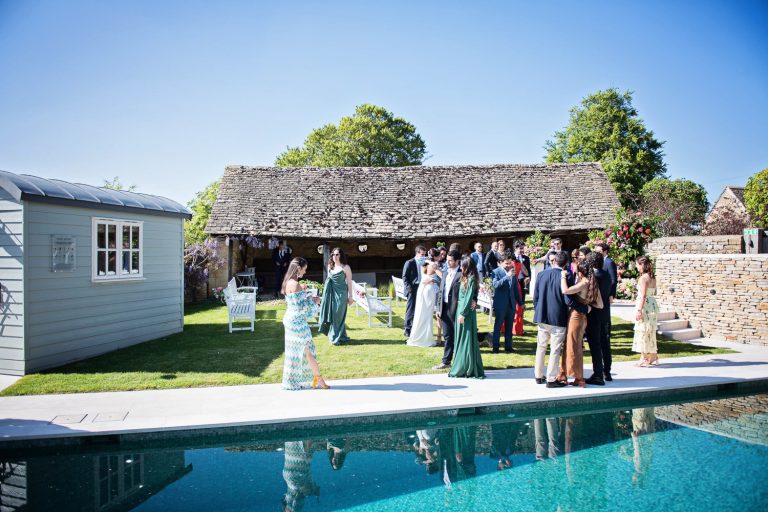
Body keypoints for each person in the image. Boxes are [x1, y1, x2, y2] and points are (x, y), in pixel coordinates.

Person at [281, 257, 329, 390]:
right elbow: (303, 308)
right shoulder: (295, 285)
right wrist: (315, 301)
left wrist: (303, 291)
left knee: (294, 352)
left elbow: (296, 302)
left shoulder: (288, 282)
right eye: (304, 269)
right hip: (298, 322)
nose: (305, 272)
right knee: (308, 350)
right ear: (298, 269)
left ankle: (294, 380)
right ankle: (319, 380)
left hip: (290, 319)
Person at [558, 261, 602, 387]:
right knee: (573, 345)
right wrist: (587, 306)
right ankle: (565, 374)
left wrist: (562, 276)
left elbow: (565, 290)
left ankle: (578, 377)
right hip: (582, 316)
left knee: (573, 346)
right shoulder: (593, 283)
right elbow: (600, 304)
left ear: (581, 272)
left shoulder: (584, 283)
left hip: (576, 316)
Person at [532, 251, 570, 387]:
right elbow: (567, 299)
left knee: (541, 347)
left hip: (542, 315)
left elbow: (535, 296)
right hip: (558, 316)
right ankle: (551, 378)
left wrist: (538, 309)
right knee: (555, 349)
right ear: (565, 263)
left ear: (553, 261)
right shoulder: (566, 276)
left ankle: (538, 375)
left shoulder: (541, 274)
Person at [448, 256, 485, 378]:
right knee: (460, 337)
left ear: (467, 267)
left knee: (466, 338)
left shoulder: (472, 278)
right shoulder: (465, 277)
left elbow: (469, 296)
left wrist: (463, 313)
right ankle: (460, 364)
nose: (460, 267)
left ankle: (466, 366)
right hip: (461, 307)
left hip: (466, 311)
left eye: (462, 266)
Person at [584, 251, 612, 385]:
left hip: (594, 314)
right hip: (605, 313)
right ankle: (607, 371)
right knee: (605, 343)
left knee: (595, 345)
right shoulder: (606, 274)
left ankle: (598, 375)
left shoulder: (593, 276)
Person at [318, 247, 353, 345]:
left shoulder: (346, 267)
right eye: (333, 254)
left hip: (341, 294)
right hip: (331, 294)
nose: (335, 256)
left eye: (337, 254)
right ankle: (340, 336)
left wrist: (350, 297)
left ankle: (336, 337)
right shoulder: (330, 266)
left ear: (341, 255)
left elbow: (349, 283)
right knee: (332, 315)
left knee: (338, 315)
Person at [434, 250, 462, 370]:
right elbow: (441, 292)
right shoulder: (445, 273)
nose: (448, 262)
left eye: (450, 260)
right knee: (447, 336)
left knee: (458, 337)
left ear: (457, 261)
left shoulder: (462, 274)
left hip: (456, 309)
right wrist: (438, 308)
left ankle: (460, 361)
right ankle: (446, 361)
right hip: (444, 308)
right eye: (447, 260)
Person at [491, 251, 522, 353]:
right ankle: (495, 346)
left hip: (511, 304)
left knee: (509, 327)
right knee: (498, 325)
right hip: (500, 304)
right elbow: (495, 285)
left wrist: (521, 303)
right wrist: (507, 276)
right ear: (500, 262)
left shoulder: (513, 271)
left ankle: (508, 346)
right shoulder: (496, 272)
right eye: (507, 263)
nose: (509, 265)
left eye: (510, 263)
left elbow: (515, 289)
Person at [406, 258, 441, 347]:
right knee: (421, 315)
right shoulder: (428, 269)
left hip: (426, 293)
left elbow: (441, 278)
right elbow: (421, 262)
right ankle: (421, 337)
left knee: (424, 315)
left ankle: (423, 337)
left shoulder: (429, 270)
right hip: (424, 294)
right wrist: (429, 262)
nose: (430, 268)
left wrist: (433, 279)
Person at [632, 256, 660, 366]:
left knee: (642, 331)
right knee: (650, 331)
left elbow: (643, 295)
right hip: (652, 304)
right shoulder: (652, 277)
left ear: (642, 265)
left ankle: (644, 357)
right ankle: (653, 355)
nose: (637, 267)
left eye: (638, 265)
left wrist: (639, 310)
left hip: (645, 306)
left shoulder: (643, 278)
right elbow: (654, 293)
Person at [281, 440, 319, 512]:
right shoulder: (287, 507)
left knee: (305, 451)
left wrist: (311, 491)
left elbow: (299, 495)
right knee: (294, 447)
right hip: (290, 478)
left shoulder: (295, 509)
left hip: (297, 479)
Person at [402, 246, 427, 338]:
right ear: (417, 253)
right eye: (422, 254)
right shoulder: (409, 262)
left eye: (425, 254)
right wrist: (410, 289)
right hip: (412, 288)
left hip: (422, 287)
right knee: (411, 309)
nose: (424, 256)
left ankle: (416, 327)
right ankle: (407, 328)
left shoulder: (424, 263)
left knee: (419, 308)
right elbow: (405, 277)